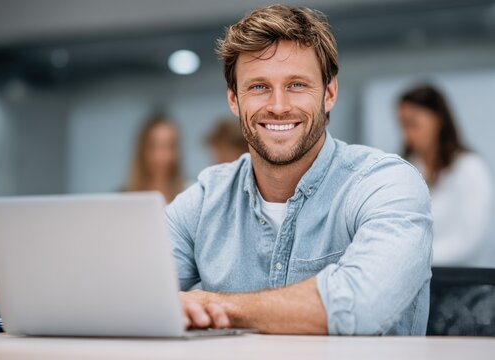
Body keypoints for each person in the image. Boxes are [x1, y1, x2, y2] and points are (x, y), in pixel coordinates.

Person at [167, 5, 432, 335]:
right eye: (259, 87)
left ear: (329, 93)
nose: (278, 106)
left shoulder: (385, 184)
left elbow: (358, 306)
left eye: (296, 85)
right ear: (234, 100)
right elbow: (132, 296)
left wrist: (212, 304)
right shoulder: (205, 200)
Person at [397, 85, 493, 267]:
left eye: (413, 124)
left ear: (438, 121)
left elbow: (468, 241)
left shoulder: (470, 168)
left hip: (467, 283)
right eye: (402, 125)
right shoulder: (407, 169)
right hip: (422, 279)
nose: (406, 135)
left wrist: (410, 256)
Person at [125, 114, 185, 203]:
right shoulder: (123, 199)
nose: (165, 155)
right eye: (158, 146)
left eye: (171, 146)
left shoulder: (189, 195)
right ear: (143, 151)